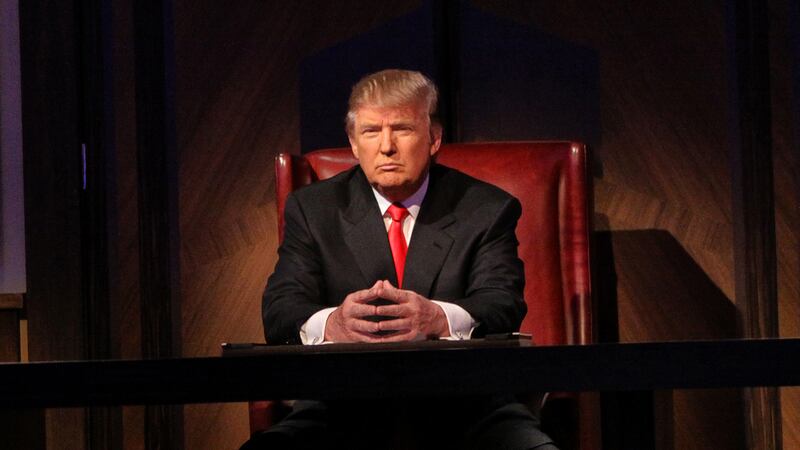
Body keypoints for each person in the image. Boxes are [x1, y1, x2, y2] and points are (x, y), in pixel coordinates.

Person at [243, 69, 557, 450]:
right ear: (354, 144)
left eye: (403, 129)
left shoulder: (486, 208)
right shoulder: (313, 209)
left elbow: (502, 303)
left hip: (466, 404)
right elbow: (280, 311)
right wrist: (334, 323)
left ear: (434, 138)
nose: (386, 146)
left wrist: (437, 318)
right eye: (372, 132)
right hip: (342, 405)